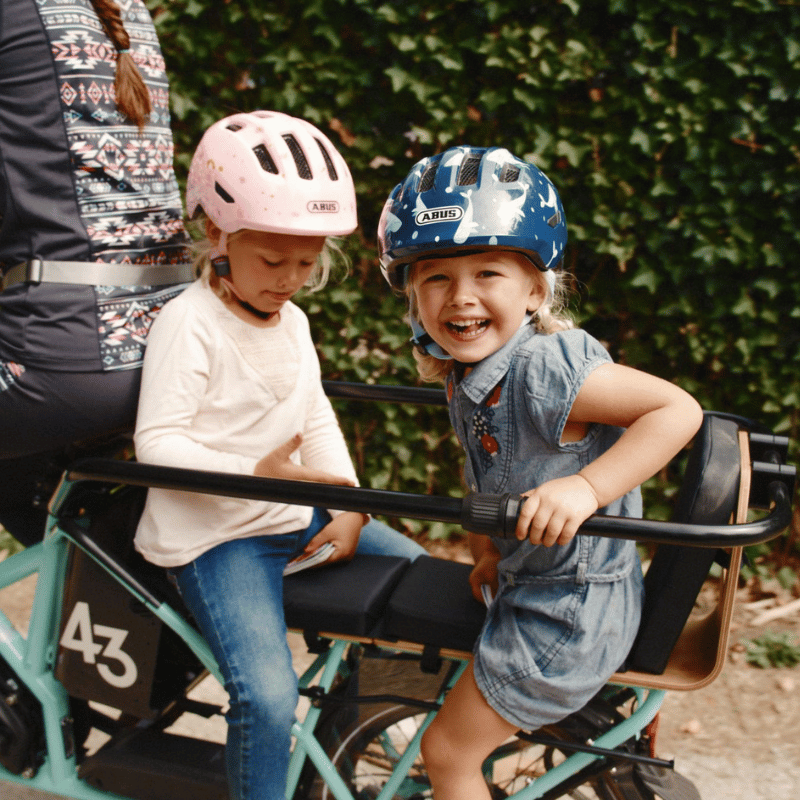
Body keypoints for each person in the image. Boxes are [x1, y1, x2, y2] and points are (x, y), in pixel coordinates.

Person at [377, 145, 704, 800]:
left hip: (569, 616)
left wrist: (586, 488)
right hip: (540, 591)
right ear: (413, 293)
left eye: (488, 273)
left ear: (534, 289)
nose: (461, 297)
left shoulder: (545, 369)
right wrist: (490, 552)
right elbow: (491, 476)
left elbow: (677, 410)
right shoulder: (468, 376)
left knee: (447, 755)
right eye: (436, 277)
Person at [133, 110, 425, 800]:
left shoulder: (291, 319)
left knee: (425, 591)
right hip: (215, 536)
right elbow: (159, 443)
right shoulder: (190, 323)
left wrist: (349, 502)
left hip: (294, 513)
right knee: (265, 698)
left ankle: (338, 752)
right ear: (217, 233)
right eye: (274, 260)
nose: (292, 278)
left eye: (308, 260)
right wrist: (259, 480)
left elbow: (312, 409)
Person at [0, 0, 193, 545]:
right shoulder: (125, 11)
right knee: (20, 492)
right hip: (163, 350)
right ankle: (96, 606)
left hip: (60, 365)